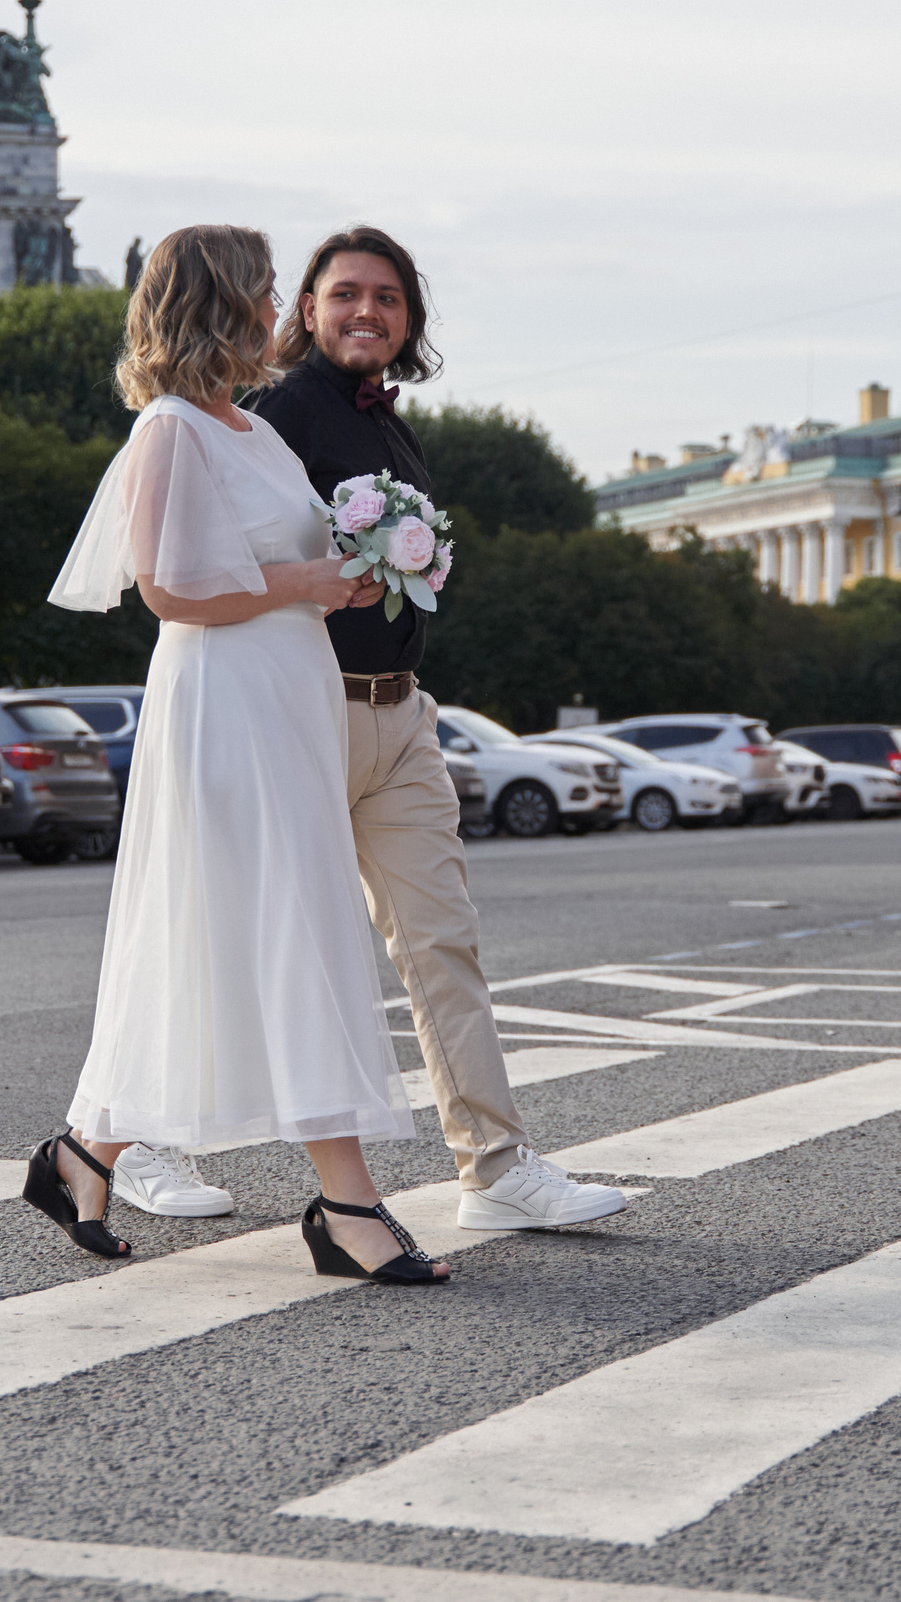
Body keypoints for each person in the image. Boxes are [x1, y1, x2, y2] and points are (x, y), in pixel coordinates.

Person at [33, 224, 448, 1285]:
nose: (277, 310)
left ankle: (87, 1149)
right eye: (263, 292)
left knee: (230, 931)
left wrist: (359, 566)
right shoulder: (171, 429)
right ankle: (347, 1204)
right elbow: (170, 592)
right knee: (282, 924)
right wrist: (305, 587)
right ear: (216, 305)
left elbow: (275, 557)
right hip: (223, 703)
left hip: (284, 694)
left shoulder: (249, 431)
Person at [220, 224, 626, 1233]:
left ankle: (491, 1166)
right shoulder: (270, 415)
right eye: (346, 293)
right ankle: (125, 1140)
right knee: (236, 936)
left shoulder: (396, 429)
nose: (367, 312)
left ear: (410, 321)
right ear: (306, 309)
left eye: (388, 299)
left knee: (442, 942)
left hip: (400, 718)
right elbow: (214, 564)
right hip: (304, 715)